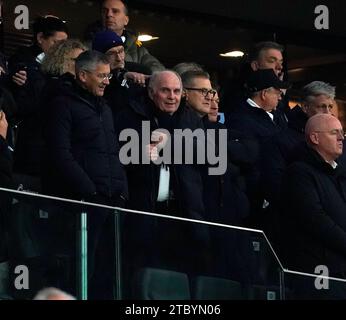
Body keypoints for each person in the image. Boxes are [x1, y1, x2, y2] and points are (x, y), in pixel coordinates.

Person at [42, 50, 127, 298]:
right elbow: (60, 154)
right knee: (79, 272)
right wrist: (89, 191)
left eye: (108, 76)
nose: (106, 81)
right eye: (101, 76)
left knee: (105, 273)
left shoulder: (106, 108)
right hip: (80, 206)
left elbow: (113, 152)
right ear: (82, 75)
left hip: (111, 205)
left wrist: (121, 192)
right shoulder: (61, 104)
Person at [280, 113, 346, 299]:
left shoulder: (338, 174)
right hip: (318, 270)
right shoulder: (299, 173)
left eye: (341, 132)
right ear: (315, 137)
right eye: (334, 133)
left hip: (339, 269)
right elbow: (314, 218)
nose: (341, 137)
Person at [85, 0, 164, 72]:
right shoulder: (87, 48)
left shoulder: (139, 51)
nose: (109, 14)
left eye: (115, 11)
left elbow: (158, 70)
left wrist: (142, 78)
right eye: (104, 11)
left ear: (126, 20)